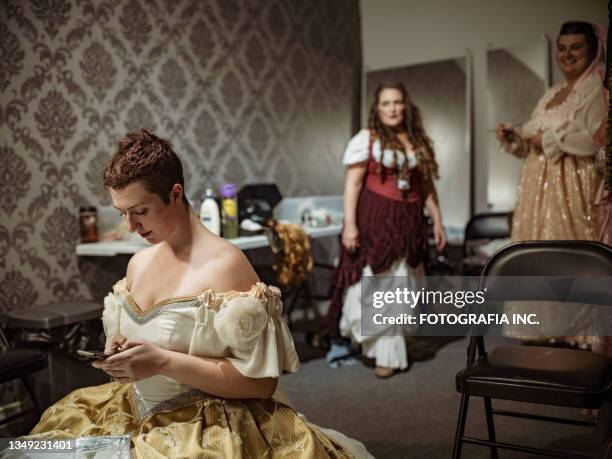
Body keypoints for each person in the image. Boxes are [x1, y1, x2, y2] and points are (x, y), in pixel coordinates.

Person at [23, 130, 373, 458]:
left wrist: (162, 361)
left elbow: (262, 384)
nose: (130, 226)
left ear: (175, 193)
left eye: (140, 211)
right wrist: (124, 355)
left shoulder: (226, 266)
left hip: (207, 424)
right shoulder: (138, 263)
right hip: (133, 409)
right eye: (122, 214)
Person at [496, 21, 607, 346]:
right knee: (537, 254)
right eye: (562, 47)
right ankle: (543, 327)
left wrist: (549, 138)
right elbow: (531, 141)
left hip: (570, 185)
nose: (567, 54)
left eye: (576, 47)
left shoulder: (597, 89)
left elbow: (596, 140)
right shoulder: (550, 94)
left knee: (569, 253)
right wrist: (516, 137)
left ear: (592, 49)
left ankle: (580, 331)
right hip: (536, 189)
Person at [326, 83, 445, 379]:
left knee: (403, 282)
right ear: (377, 109)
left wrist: (438, 220)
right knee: (379, 283)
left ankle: (394, 346)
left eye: (397, 102)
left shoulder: (418, 141)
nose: (392, 108)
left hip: (410, 221)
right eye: (385, 103)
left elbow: (426, 186)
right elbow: (352, 185)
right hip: (376, 219)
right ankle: (382, 351)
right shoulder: (366, 140)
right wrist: (350, 225)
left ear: (406, 106)